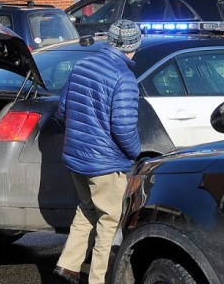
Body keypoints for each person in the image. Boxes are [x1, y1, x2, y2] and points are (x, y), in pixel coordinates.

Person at [54, 19, 142, 284]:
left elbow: (62, 109)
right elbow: (124, 129)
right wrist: (136, 152)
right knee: (109, 220)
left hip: (76, 157)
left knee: (87, 209)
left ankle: (67, 265)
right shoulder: (124, 77)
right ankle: (97, 279)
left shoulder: (82, 65)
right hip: (106, 163)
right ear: (133, 47)